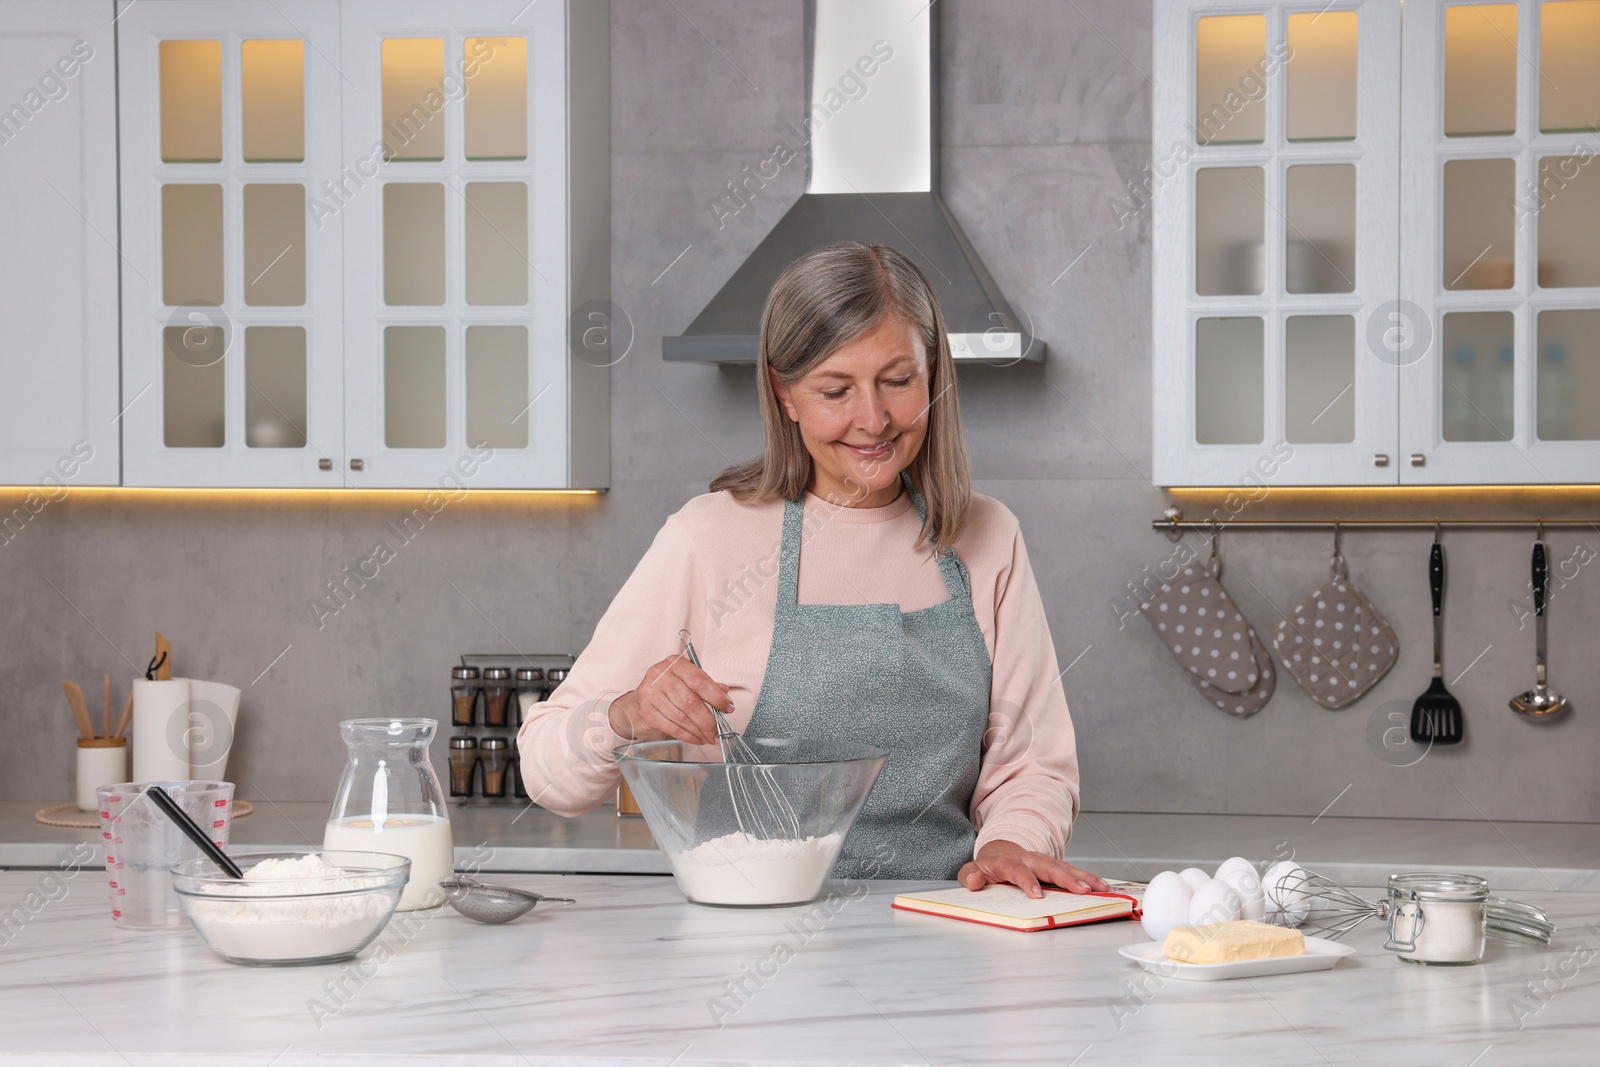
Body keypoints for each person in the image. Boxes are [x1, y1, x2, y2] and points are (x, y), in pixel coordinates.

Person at [518, 243, 1107, 897]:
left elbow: (1032, 763)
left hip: (944, 933)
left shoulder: (989, 537)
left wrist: (1009, 844)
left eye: (898, 379)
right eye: (836, 389)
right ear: (784, 391)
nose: (874, 418)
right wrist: (626, 714)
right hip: (740, 945)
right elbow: (547, 771)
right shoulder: (708, 537)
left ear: (933, 372)